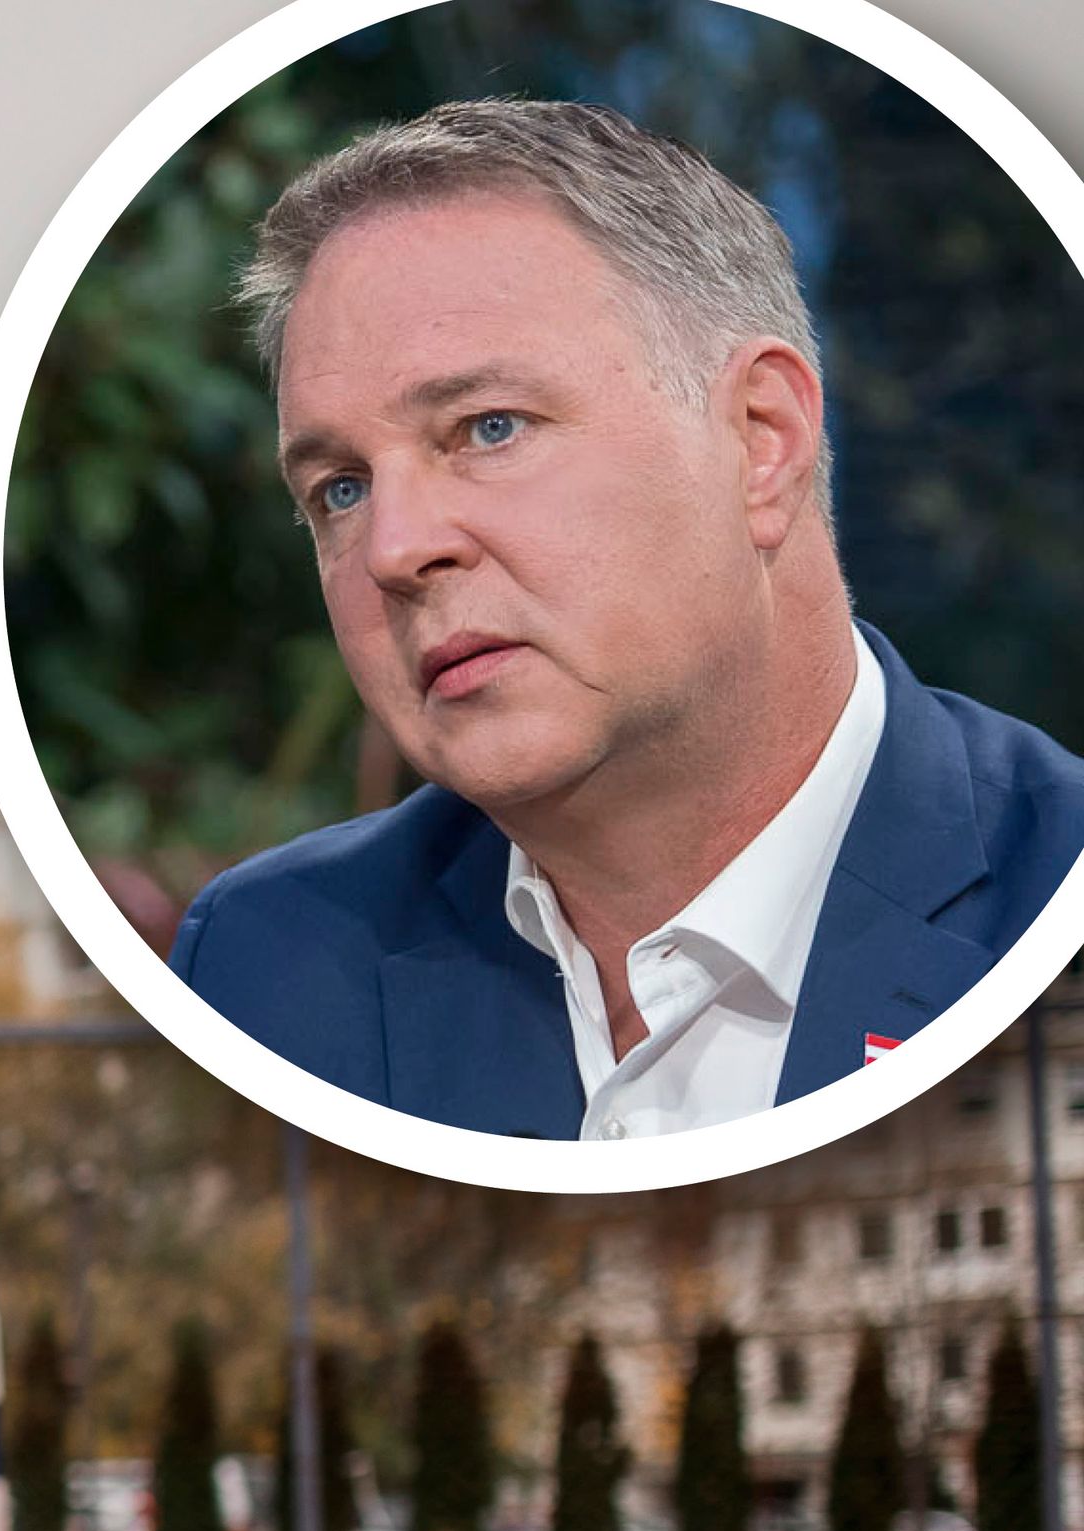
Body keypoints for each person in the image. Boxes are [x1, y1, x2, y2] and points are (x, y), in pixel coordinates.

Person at [166, 99, 1084, 1140]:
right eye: (339, 488)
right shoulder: (266, 975)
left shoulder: (1050, 900)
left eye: (487, 428)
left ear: (760, 439)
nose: (394, 549)